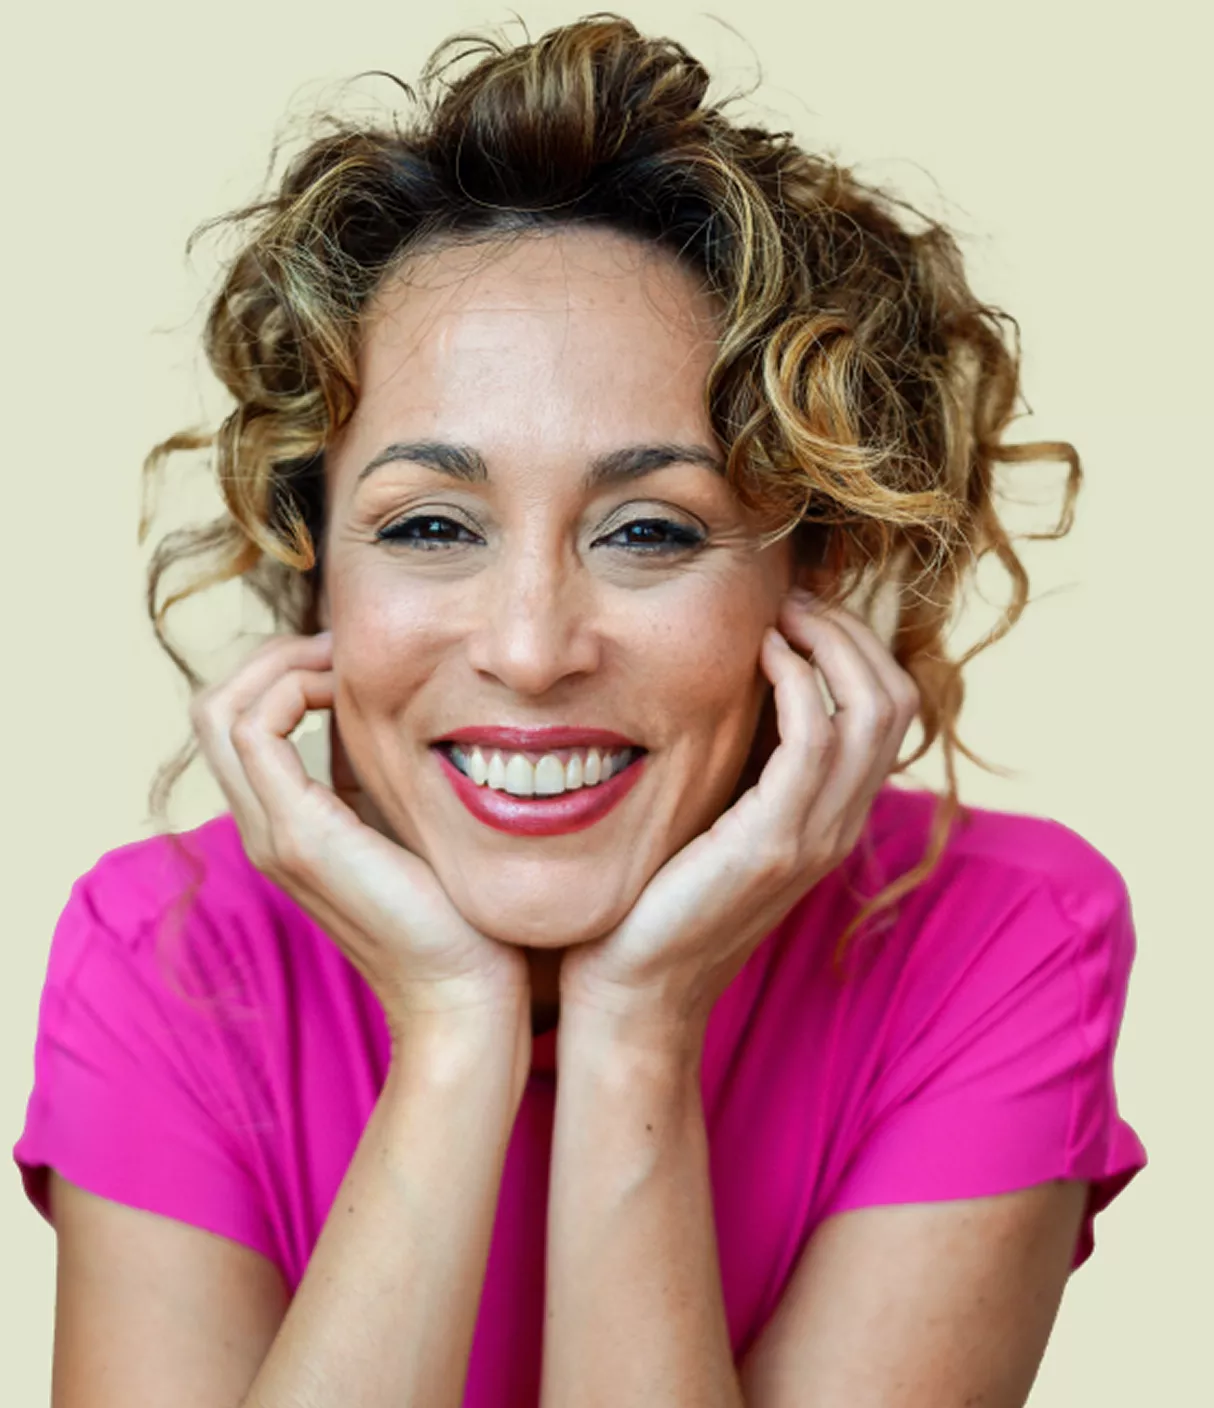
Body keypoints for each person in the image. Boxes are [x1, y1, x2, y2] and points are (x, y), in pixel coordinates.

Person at [12, 14, 1147, 1408]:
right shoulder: (166, 954)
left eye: (650, 531)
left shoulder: (996, 938)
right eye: (431, 526)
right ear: (312, 576)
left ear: (812, 576)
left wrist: (638, 1026)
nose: (532, 648)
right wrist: (449, 1031)